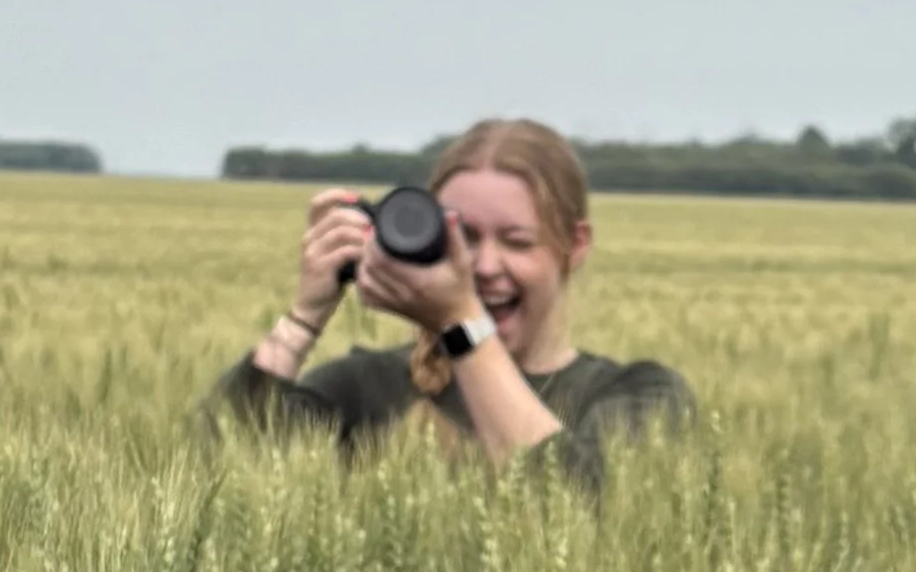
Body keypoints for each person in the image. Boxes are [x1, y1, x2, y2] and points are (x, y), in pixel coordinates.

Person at [207, 118, 692, 487]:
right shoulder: (364, 388)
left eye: (517, 242)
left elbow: (577, 509)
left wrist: (461, 324)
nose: (482, 266)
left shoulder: (640, 395)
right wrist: (303, 317)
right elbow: (218, 467)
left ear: (575, 246)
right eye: (462, 237)